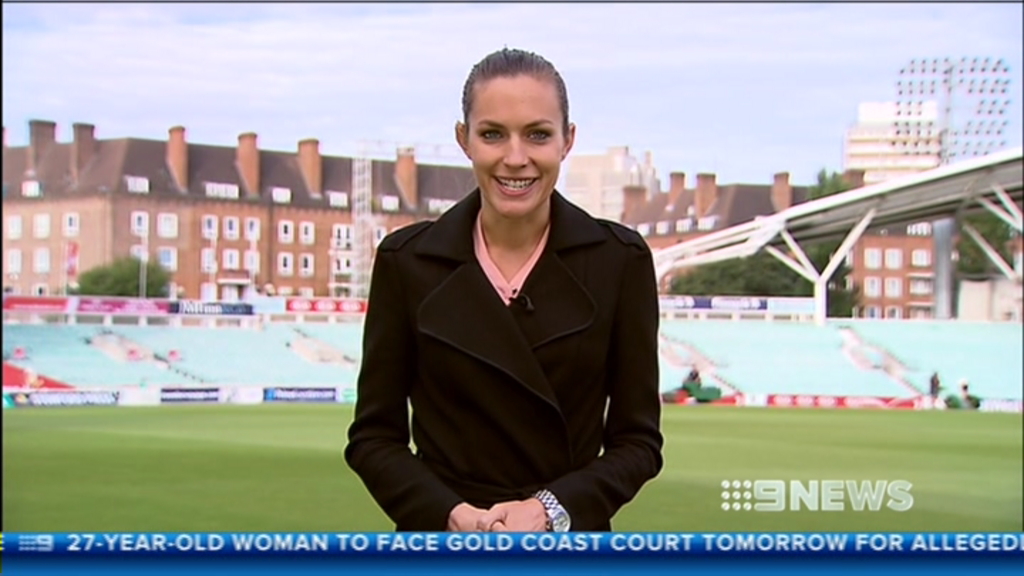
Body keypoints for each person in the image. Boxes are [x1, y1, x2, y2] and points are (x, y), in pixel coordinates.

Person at [344, 47, 664, 533]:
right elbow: (373, 438)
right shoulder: (405, 262)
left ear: (567, 140)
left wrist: (548, 510)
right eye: (493, 134)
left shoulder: (620, 261)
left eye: (538, 134)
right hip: (444, 547)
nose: (516, 159)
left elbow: (639, 443)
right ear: (464, 140)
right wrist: (450, 514)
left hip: (566, 548)